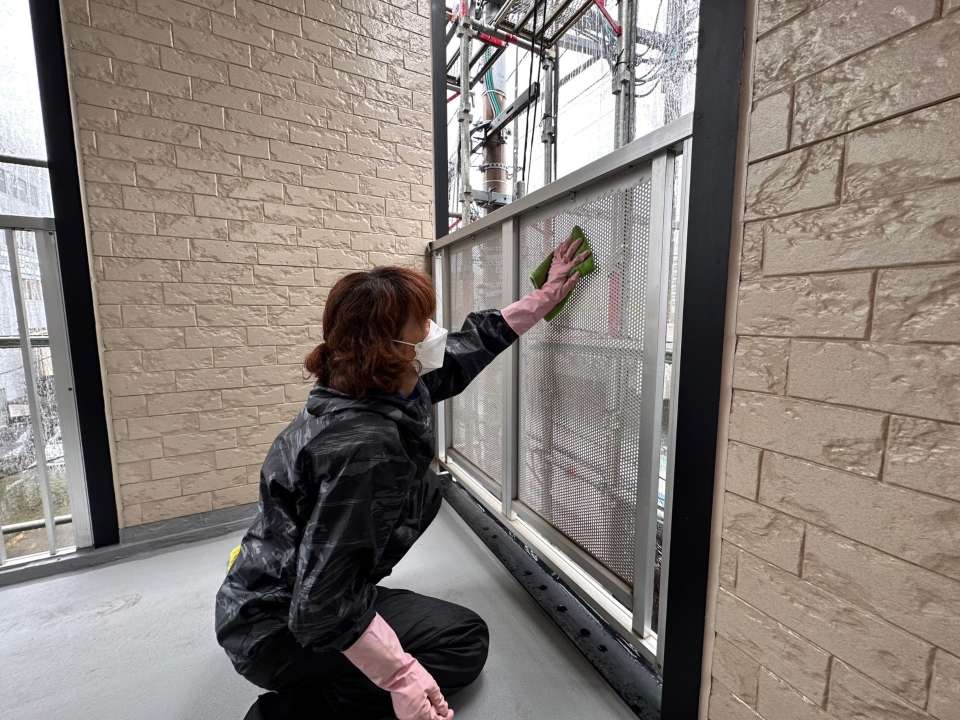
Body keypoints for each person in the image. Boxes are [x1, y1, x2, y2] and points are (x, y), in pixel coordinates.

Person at [215, 235, 591, 720]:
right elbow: (320, 603)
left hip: (270, 591)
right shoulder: (366, 446)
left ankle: (337, 659)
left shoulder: (365, 386)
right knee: (462, 641)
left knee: (417, 541)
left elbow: (468, 347)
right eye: (424, 324)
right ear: (390, 347)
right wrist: (400, 675)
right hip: (280, 624)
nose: (434, 331)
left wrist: (545, 296)